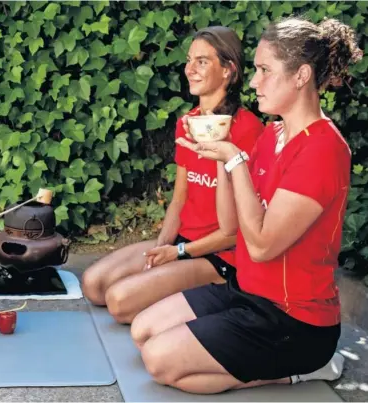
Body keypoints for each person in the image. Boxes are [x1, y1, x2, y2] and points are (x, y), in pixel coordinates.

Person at [132, 16, 363, 394]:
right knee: (143, 331)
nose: (254, 82)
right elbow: (232, 224)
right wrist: (221, 157)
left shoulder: (323, 148)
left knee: (159, 362)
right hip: (246, 291)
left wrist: (235, 160)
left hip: (294, 319)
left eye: (264, 70)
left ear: (301, 75)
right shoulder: (273, 134)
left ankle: (303, 369)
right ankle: (276, 364)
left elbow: (261, 244)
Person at [81, 26, 264, 324]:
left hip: (221, 255)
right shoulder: (187, 123)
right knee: (94, 285)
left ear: (229, 70)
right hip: (183, 241)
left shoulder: (249, 129)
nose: (190, 69)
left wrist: (179, 253)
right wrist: (161, 250)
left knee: (119, 301)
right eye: (189, 60)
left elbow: (237, 229)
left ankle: (214, 298)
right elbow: (179, 199)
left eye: (202, 62)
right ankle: (171, 293)